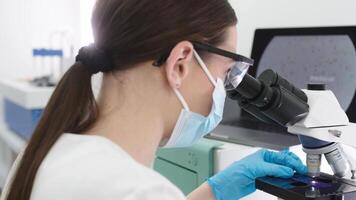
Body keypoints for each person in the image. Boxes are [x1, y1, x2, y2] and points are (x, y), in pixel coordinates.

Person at [1, 0, 307, 200]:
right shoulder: (136, 191)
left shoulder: (47, 149)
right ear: (180, 64)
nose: (223, 91)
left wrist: (213, 191)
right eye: (226, 73)